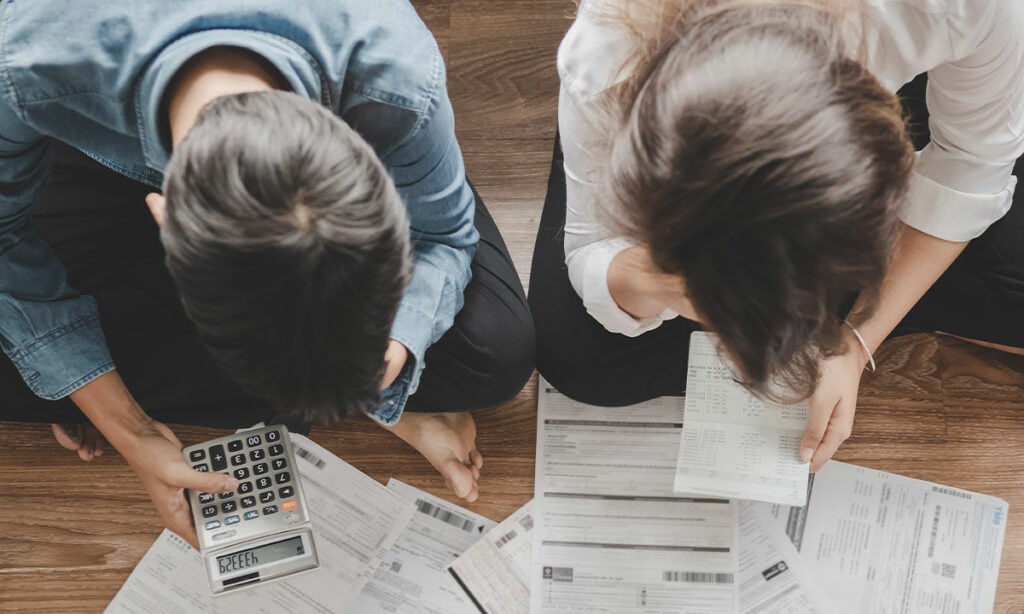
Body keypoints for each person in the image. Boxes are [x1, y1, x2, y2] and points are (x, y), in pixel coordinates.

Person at [0, 0, 534, 547]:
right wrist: (128, 430)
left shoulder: (395, 74)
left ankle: (316, 382)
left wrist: (391, 355)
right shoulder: (29, 58)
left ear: (376, 187)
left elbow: (442, 234)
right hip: (75, 142)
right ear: (163, 219)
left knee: (497, 351)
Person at [530, 0, 1024, 471]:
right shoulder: (607, 58)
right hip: (647, 89)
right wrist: (669, 282)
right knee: (579, 355)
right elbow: (590, 246)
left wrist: (855, 343)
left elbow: (974, 163)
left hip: (952, 60)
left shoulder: (966, 9)